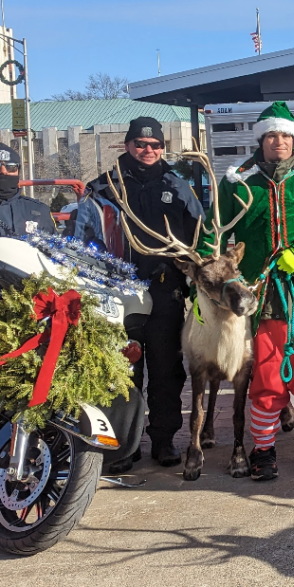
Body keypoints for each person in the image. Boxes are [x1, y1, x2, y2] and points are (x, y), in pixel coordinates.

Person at [205, 101, 294, 481]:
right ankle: (263, 448)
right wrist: (205, 274)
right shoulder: (238, 179)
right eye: (271, 135)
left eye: (284, 135)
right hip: (259, 295)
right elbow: (212, 231)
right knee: (265, 379)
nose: (278, 141)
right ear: (261, 139)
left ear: (292, 139)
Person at [76, 118, 204, 471]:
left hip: (165, 293)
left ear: (162, 148)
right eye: (140, 144)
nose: (148, 151)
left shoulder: (179, 188)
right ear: (127, 145)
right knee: (122, 370)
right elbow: (84, 239)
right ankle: (124, 445)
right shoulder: (103, 189)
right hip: (120, 295)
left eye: (155, 145)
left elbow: (199, 238)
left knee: (165, 370)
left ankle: (163, 440)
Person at [0, 142, 55, 238]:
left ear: (18, 171)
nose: (4, 171)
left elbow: (55, 248)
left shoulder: (39, 210)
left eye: (11, 167)